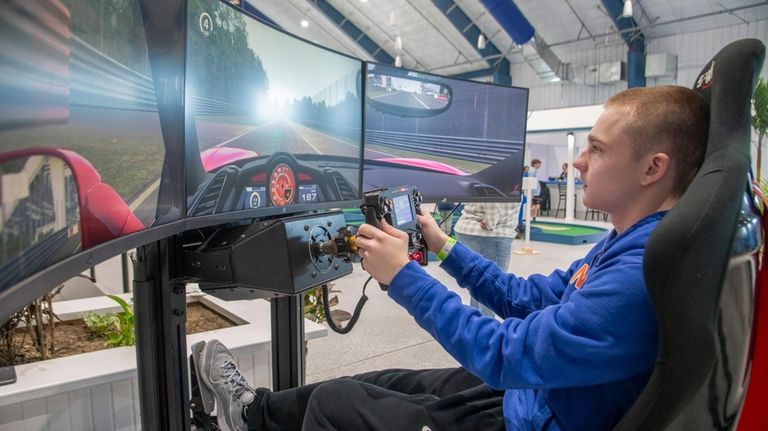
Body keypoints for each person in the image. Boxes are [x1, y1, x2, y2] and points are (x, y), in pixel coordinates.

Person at [198, 85, 709, 431]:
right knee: (378, 381)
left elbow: (509, 355)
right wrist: (444, 247)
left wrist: (403, 277)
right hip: (539, 398)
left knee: (338, 410)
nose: (577, 161)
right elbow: (523, 297)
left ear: (652, 168)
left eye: (596, 149)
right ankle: (252, 415)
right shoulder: (629, 241)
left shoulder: (640, 272)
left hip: (533, 415)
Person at [453, 202, 521, 317]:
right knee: (492, 289)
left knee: (478, 286)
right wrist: (491, 221)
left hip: (470, 228)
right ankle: (485, 331)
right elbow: (492, 194)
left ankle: (476, 326)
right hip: (490, 233)